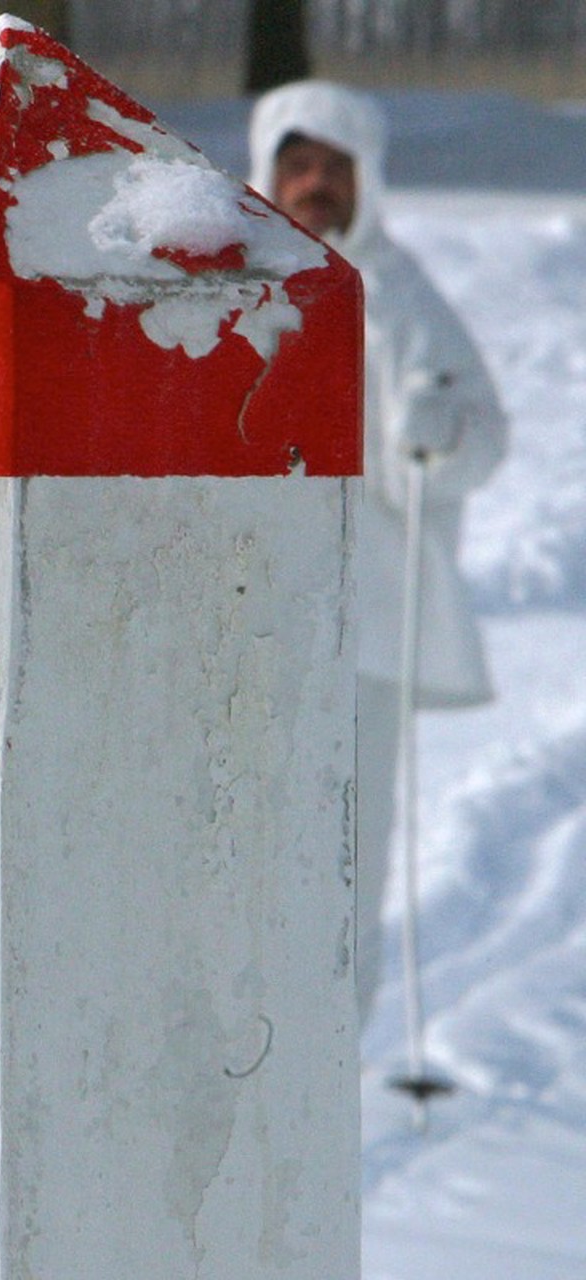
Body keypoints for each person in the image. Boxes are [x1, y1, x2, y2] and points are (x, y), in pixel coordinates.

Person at [250, 81, 508, 1024]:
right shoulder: (226, 281)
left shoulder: (397, 296)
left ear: (369, 180)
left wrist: (436, 435)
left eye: (334, 168)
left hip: (363, 626)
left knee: (341, 859)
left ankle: (332, 1062)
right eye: (298, 164)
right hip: (239, 621)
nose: (315, 186)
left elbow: (485, 438)